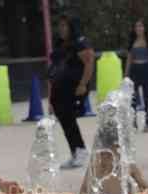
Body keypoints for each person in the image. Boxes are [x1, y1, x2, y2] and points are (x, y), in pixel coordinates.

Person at [49, 15, 95, 169]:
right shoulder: (61, 43)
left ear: (71, 27)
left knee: (69, 118)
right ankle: (75, 151)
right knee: (64, 119)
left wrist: (83, 84)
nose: (61, 29)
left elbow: (89, 62)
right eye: (60, 26)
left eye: (64, 26)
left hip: (74, 87)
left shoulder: (79, 42)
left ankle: (80, 150)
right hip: (60, 88)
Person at [125, 20, 148, 132]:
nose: (138, 28)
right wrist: (126, 73)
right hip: (135, 69)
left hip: (146, 69)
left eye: (141, 26)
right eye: (136, 26)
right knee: (133, 98)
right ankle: (134, 123)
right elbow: (129, 58)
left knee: (146, 97)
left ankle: (147, 123)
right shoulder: (132, 41)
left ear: (144, 28)